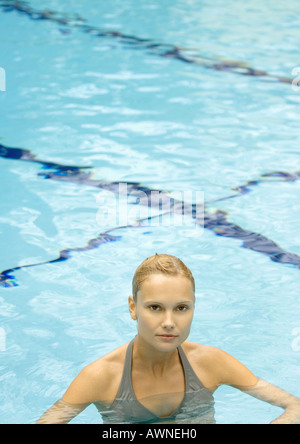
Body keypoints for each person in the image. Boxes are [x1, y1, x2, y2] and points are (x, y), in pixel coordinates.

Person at [36, 254, 300, 424]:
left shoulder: (211, 363)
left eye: (181, 308)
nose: (169, 322)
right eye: (155, 307)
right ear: (132, 307)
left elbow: (294, 406)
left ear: (194, 307)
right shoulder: (102, 377)